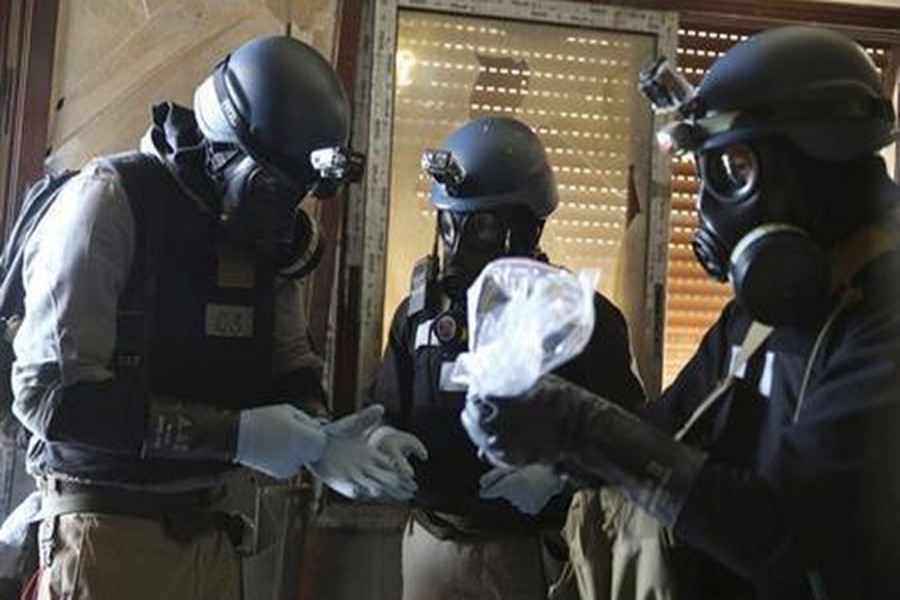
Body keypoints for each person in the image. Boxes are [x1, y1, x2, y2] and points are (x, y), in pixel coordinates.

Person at [461, 26, 900, 600]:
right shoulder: (767, 312)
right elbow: (667, 428)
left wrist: (582, 429)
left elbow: (783, 537)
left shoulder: (882, 325)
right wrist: (551, 440)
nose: (709, 210)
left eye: (734, 170)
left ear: (819, 161)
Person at [9, 35, 415, 600]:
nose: (281, 212)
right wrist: (235, 435)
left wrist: (325, 438)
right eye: (270, 187)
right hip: (109, 535)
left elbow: (289, 364)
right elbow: (51, 397)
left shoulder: (258, 231)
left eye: (295, 195)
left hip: (212, 535)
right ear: (224, 150)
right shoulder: (112, 201)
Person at [365, 116, 646, 600]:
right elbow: (385, 410)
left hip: (528, 551)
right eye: (448, 225)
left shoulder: (581, 322)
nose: (456, 250)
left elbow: (630, 448)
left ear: (528, 227)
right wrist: (377, 440)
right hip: (431, 543)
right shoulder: (418, 316)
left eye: (482, 228)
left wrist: (559, 481)